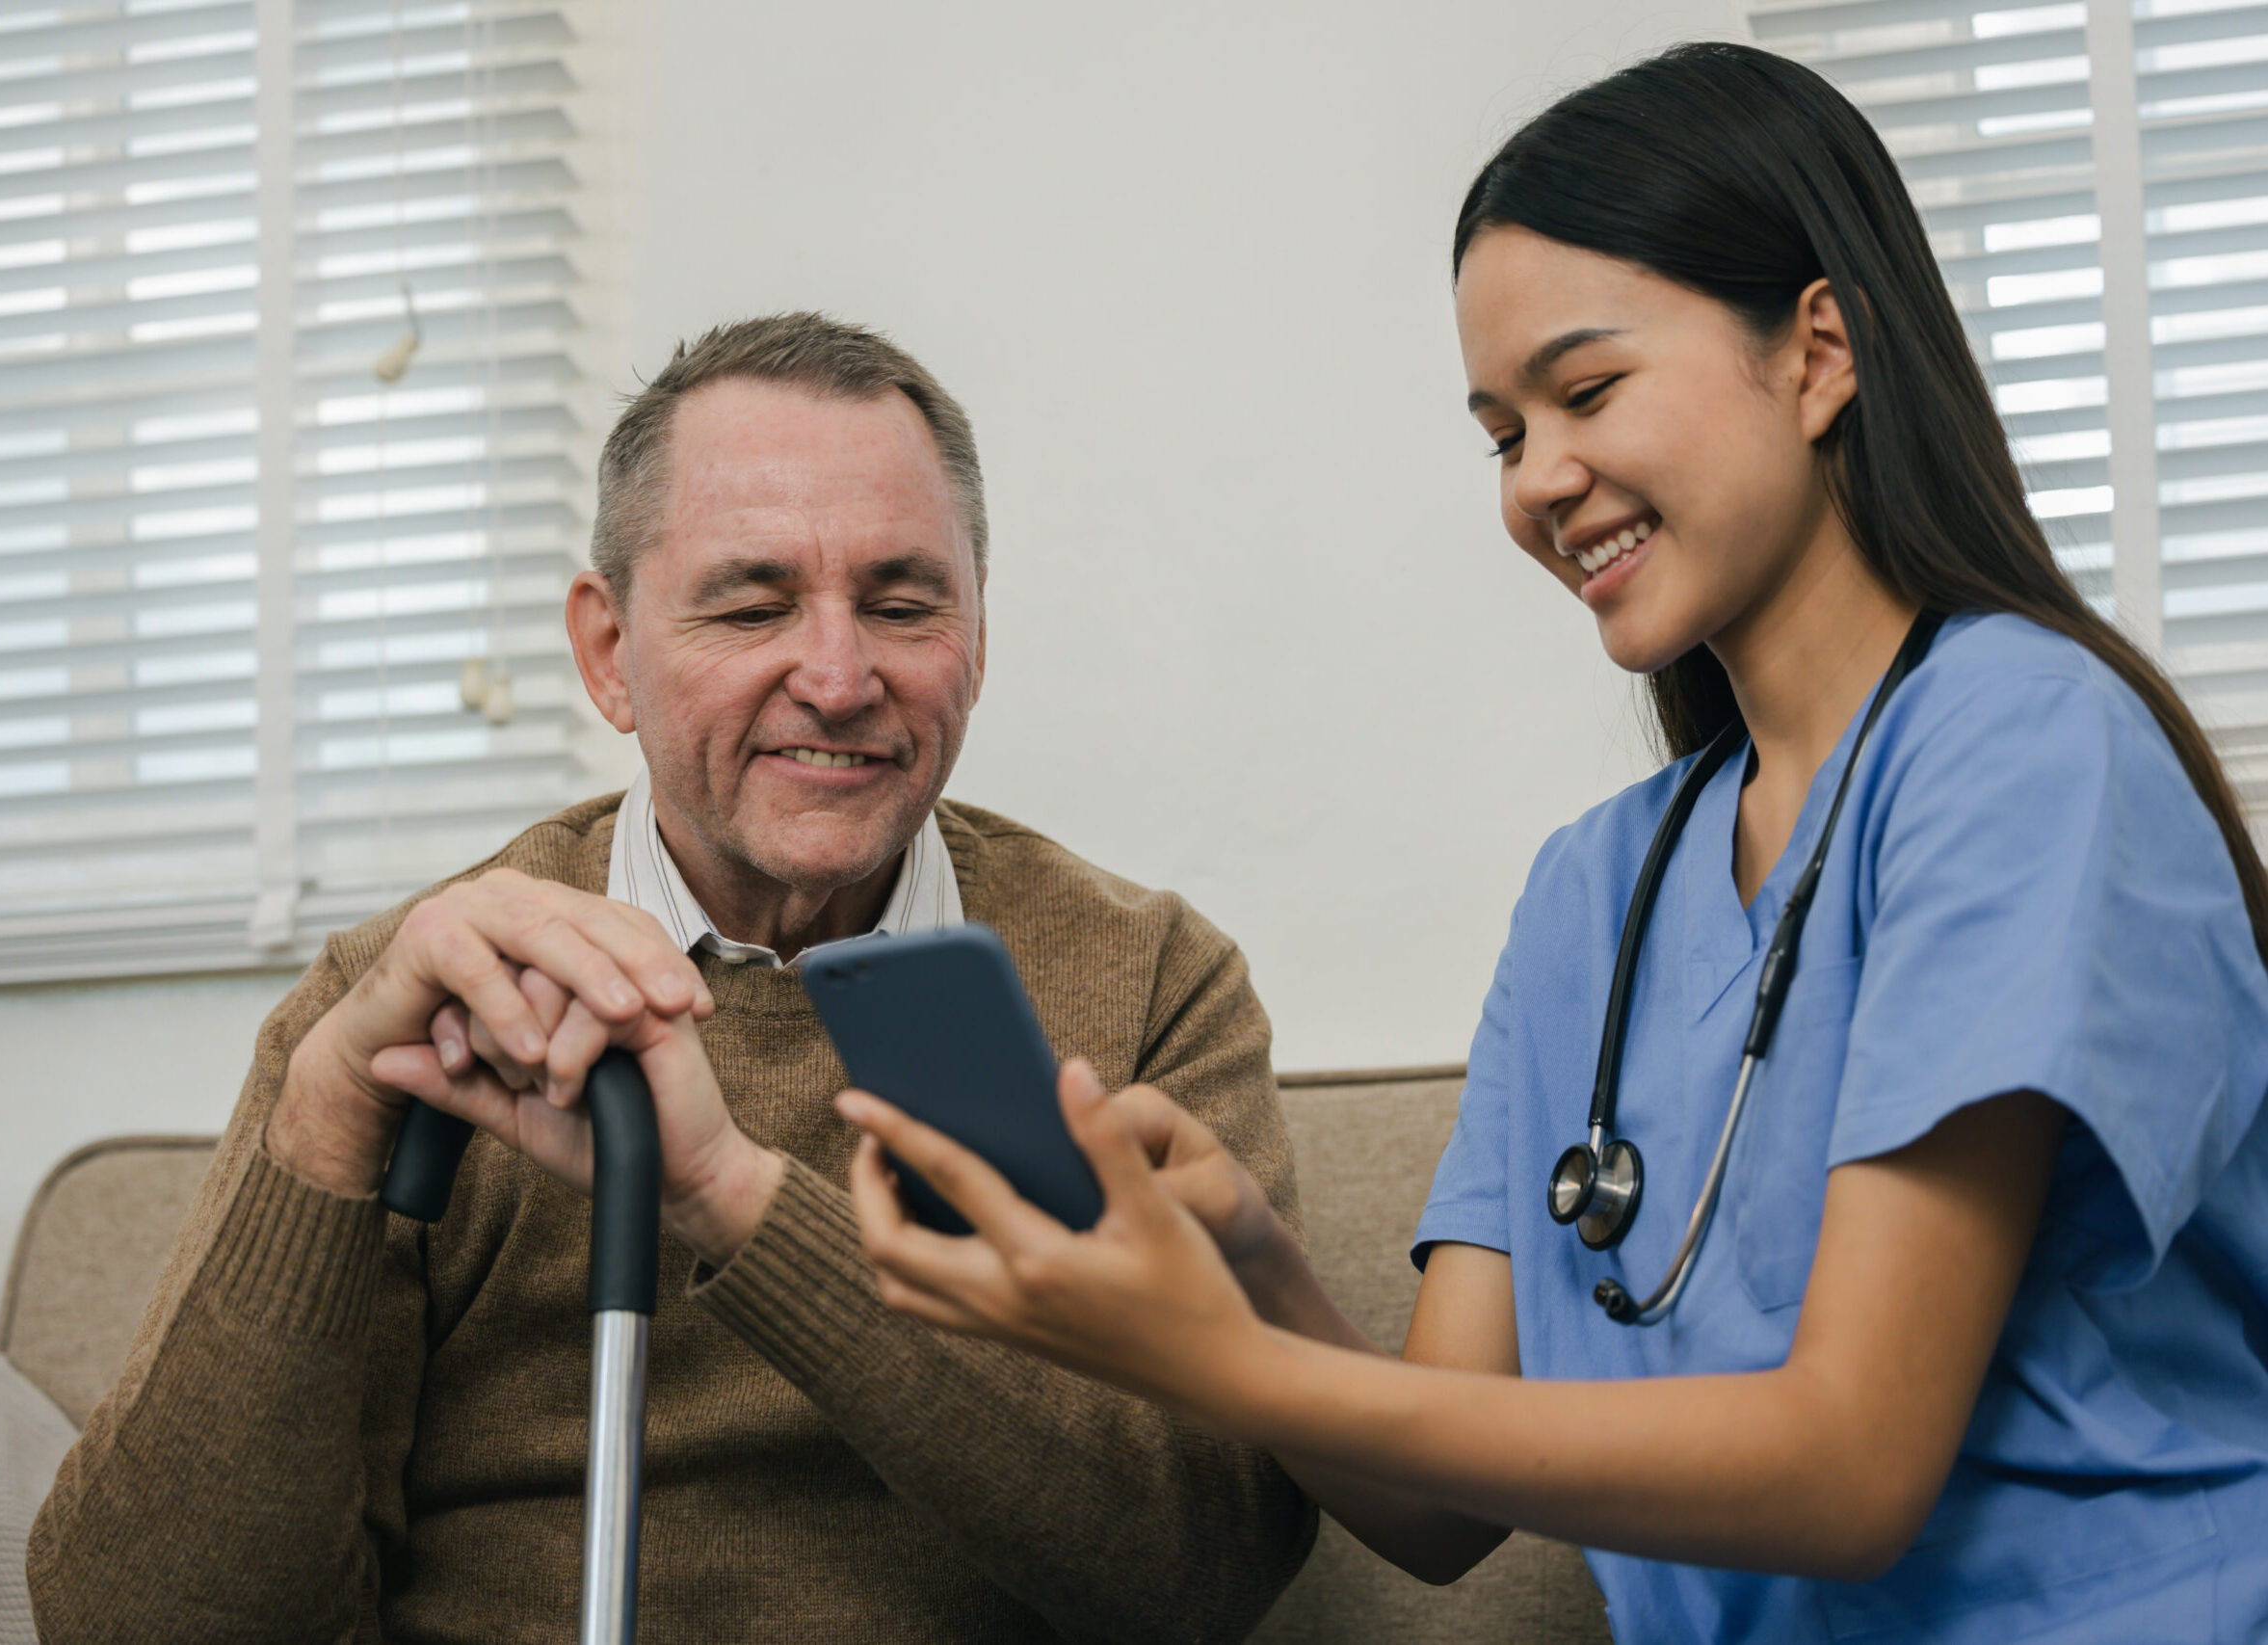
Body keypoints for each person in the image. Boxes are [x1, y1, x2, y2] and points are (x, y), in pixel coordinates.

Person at [836, 43, 2268, 1645]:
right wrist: (1238, 1255)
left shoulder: (2022, 742)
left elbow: (1852, 1466)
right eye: (1499, 432)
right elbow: (1439, 1507)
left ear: (1816, 353)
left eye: (1583, 394)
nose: (1538, 483)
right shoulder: (1597, 889)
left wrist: (1206, 1361)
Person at [27, 313, 1314, 1644]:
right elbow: (134, 1623)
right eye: (751, 606)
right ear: (607, 652)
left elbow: (1199, 1573)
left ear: (976, 636)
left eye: (901, 602)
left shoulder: (1148, 978)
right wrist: (325, 1121)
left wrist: (736, 1206)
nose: (835, 676)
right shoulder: (409, 998)